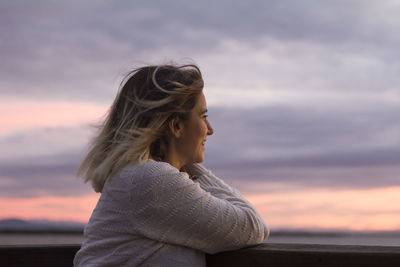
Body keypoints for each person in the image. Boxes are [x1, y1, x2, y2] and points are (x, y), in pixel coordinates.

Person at [74, 63, 269, 266]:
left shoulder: (135, 177)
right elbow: (252, 226)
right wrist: (192, 168)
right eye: (203, 116)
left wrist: (180, 164)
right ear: (176, 125)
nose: (209, 130)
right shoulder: (150, 179)